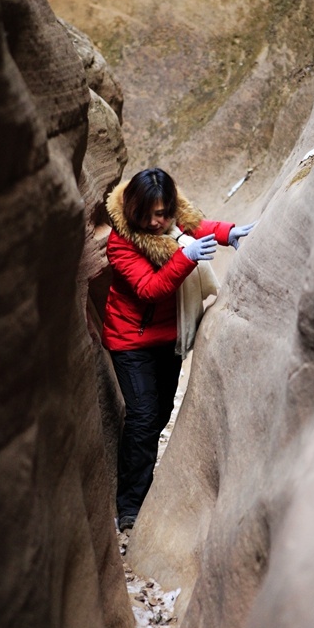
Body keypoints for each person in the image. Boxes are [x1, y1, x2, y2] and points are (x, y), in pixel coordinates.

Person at [102, 167, 255, 531]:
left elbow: (196, 227)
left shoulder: (174, 221)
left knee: (159, 414)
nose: (160, 222)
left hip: (169, 338)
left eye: (165, 213)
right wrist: (187, 258)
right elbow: (150, 289)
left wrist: (227, 232)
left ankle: (144, 481)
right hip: (131, 340)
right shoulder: (120, 243)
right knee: (142, 416)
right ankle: (130, 505)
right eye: (151, 214)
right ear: (135, 210)